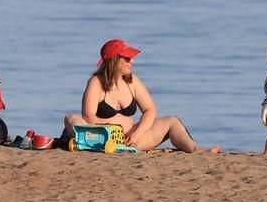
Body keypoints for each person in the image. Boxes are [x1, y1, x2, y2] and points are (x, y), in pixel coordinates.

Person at [63, 39, 220, 154]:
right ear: (114, 61)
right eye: (127, 58)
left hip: (131, 140)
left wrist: (136, 133)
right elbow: (88, 116)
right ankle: (90, 144)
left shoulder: (132, 81)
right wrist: (112, 132)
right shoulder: (96, 83)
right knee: (71, 118)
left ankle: (196, 149)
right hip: (102, 139)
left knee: (172, 121)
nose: (132, 61)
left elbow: (150, 109)